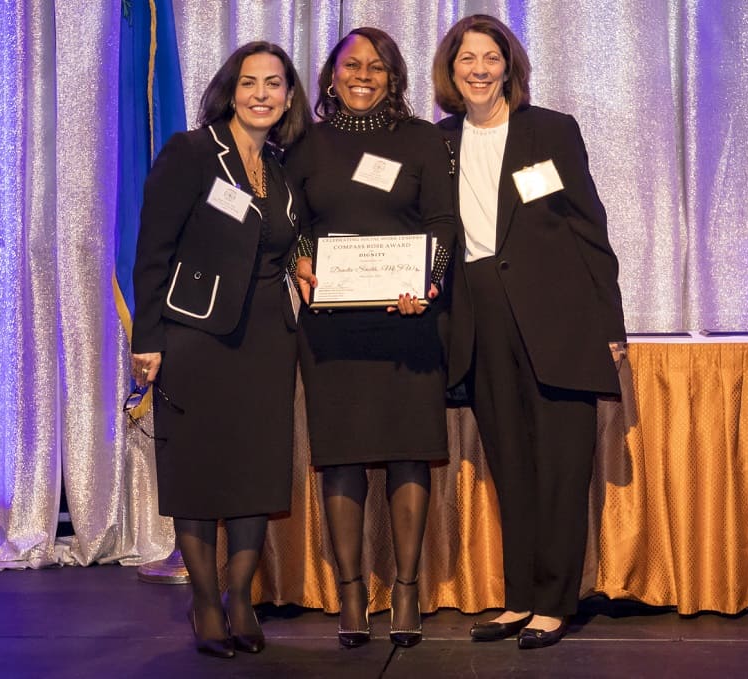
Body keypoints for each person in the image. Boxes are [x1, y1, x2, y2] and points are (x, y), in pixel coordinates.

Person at [432, 15, 627, 650]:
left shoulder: (550, 130)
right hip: (478, 314)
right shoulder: (440, 142)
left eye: (491, 57)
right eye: (467, 59)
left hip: (557, 318)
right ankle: (518, 598)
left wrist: (610, 322)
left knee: (562, 465)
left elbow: (588, 228)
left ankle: (554, 602)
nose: (479, 69)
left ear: (510, 65)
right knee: (510, 465)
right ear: (451, 69)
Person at [129, 42, 310, 659]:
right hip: (196, 337)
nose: (262, 93)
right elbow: (152, 250)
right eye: (250, 82)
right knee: (200, 471)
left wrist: (303, 259)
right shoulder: (191, 153)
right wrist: (147, 340)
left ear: (289, 96)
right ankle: (205, 602)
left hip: (267, 340)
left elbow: (283, 242)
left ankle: (240, 598)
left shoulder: (283, 169)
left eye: (275, 83)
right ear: (231, 89)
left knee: (257, 472)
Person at [286, 27, 454, 649]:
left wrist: (428, 283)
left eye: (377, 67)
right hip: (331, 325)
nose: (363, 74)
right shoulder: (304, 142)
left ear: (394, 77)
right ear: (331, 74)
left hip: (407, 320)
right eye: (352, 64)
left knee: (410, 450)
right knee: (342, 458)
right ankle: (352, 594)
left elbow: (441, 220)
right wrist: (302, 260)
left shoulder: (420, 140)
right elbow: (292, 221)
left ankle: (406, 588)